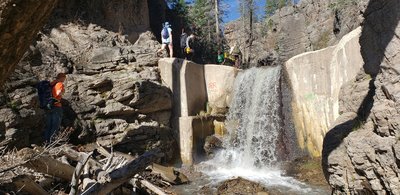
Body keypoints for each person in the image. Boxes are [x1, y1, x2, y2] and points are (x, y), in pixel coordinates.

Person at [44, 73, 66, 143]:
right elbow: (58, 93)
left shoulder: (52, 85)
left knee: (49, 125)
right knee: (55, 125)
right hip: (56, 106)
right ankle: (52, 143)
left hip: (49, 106)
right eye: (64, 78)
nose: (64, 79)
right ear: (62, 78)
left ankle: (46, 143)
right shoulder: (59, 84)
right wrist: (62, 92)